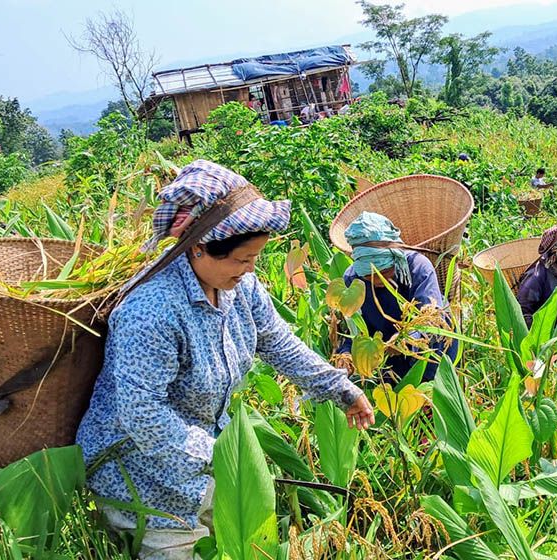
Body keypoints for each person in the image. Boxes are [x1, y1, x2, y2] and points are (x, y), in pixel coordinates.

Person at [76, 160, 374, 560]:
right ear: (199, 247)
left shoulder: (239, 287)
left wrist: (339, 388)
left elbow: (278, 343)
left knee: (245, 543)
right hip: (139, 469)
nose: (250, 269)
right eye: (241, 259)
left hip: (203, 458)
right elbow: (142, 413)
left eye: (255, 258)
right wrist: (220, 456)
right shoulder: (153, 310)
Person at [336, 212, 458, 383]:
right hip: (386, 359)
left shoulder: (417, 267)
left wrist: (405, 341)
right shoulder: (352, 280)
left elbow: (431, 318)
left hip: (429, 352)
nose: (378, 281)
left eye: (384, 272)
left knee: (430, 396)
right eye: (369, 277)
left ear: (396, 258)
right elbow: (350, 329)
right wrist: (346, 355)